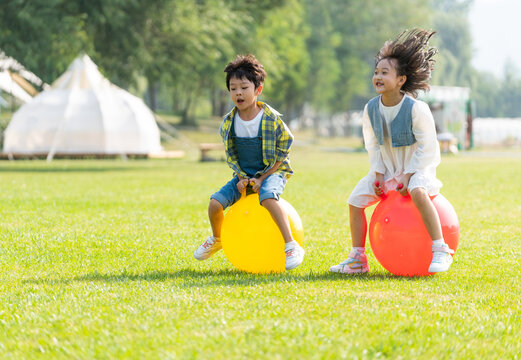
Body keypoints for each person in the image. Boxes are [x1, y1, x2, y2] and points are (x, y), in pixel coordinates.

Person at [330, 29, 454, 274]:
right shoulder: (370, 109)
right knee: (354, 201)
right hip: (387, 170)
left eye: (384, 72)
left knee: (418, 190)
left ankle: (440, 248)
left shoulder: (416, 109)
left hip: (417, 168)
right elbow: (373, 145)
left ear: (401, 80)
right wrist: (377, 173)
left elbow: (429, 147)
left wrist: (409, 174)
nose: (378, 76)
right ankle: (357, 259)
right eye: (376, 72)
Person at [194, 54, 305, 270]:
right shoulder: (228, 122)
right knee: (215, 203)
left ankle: (291, 244)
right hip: (243, 175)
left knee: (268, 197)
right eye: (233, 88)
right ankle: (217, 238)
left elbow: (284, 150)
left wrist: (263, 178)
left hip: (273, 172)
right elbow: (232, 156)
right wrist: (242, 178)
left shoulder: (270, 119)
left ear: (258, 90)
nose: (238, 93)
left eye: (244, 87)